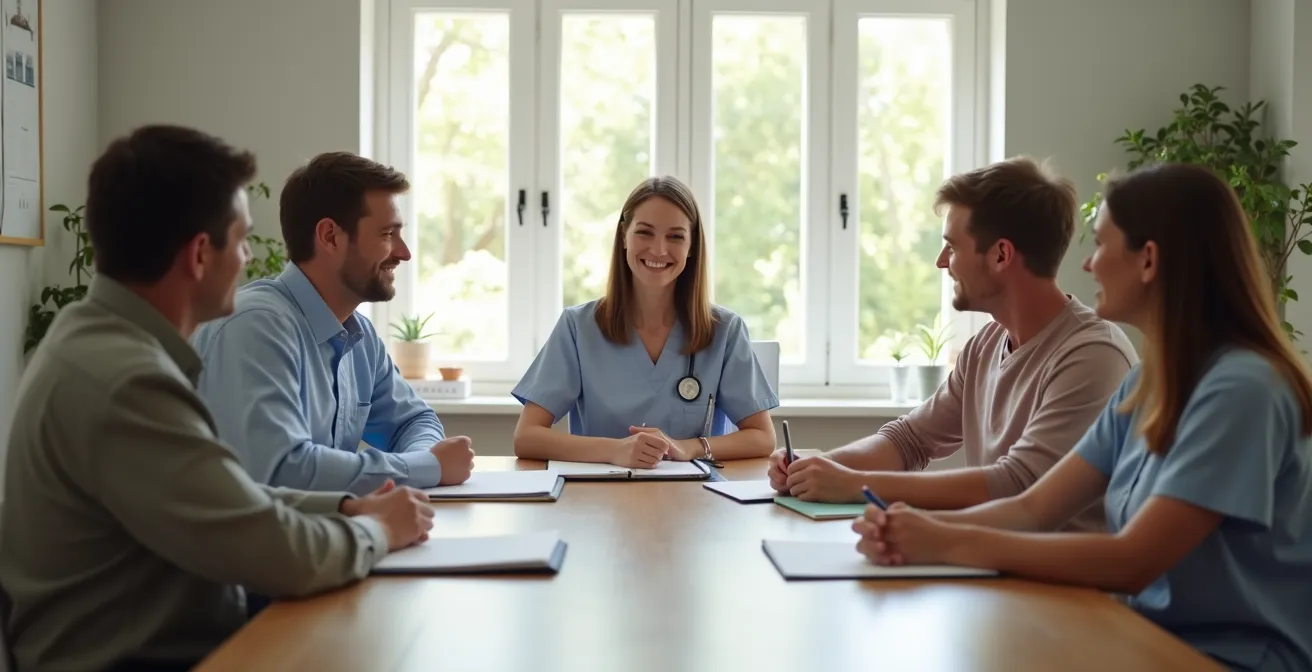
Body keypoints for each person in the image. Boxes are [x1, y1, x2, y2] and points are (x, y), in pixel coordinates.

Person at [0, 125, 436, 671]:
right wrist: (376, 529)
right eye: (243, 238)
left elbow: (235, 500)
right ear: (200, 254)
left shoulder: (95, 342)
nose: (252, 258)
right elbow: (266, 546)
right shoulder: (125, 380)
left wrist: (349, 506)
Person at [854, 163, 1312, 672]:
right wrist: (914, 528)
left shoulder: (1244, 390)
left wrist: (947, 539)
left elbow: (1133, 561)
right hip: (1138, 640)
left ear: (1148, 261)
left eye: (1100, 244)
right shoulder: (1146, 386)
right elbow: (1032, 509)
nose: (1088, 265)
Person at [769, 157, 1137, 530]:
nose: (941, 262)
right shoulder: (985, 345)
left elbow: (1018, 484)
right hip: (991, 568)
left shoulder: (1093, 356)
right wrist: (815, 468)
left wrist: (854, 485)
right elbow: (909, 440)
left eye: (952, 247)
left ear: (1000, 255)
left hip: (1057, 583)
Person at [190, 151, 474, 496]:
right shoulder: (255, 326)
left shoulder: (360, 335)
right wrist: (427, 467)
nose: (404, 253)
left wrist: (424, 464)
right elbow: (280, 470)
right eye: (387, 234)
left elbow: (414, 421)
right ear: (329, 236)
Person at [512, 176, 778, 467]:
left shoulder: (724, 330)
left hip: (695, 502)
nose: (659, 250)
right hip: (598, 501)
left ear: (692, 246)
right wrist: (615, 451)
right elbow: (527, 437)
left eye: (675, 236)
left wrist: (688, 447)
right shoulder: (578, 328)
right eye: (645, 233)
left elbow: (763, 438)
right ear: (624, 236)